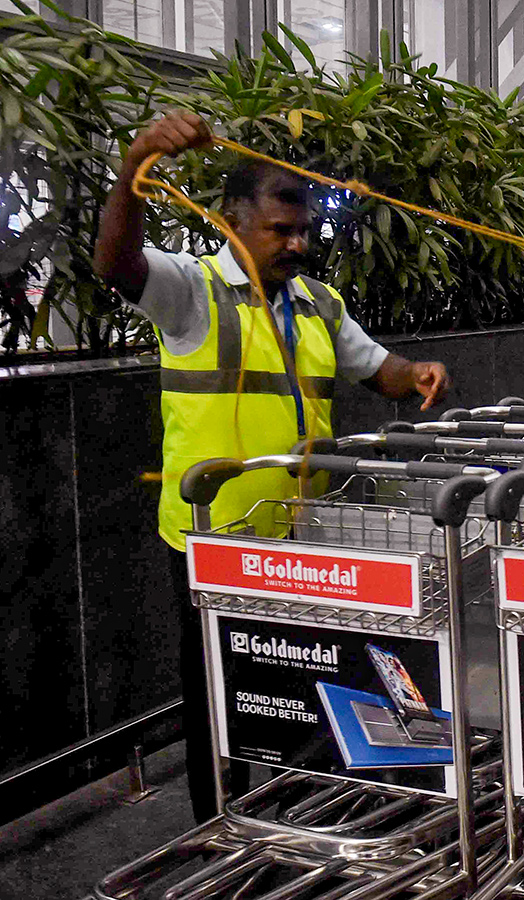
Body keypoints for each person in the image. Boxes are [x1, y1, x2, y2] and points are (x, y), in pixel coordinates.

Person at [93, 110, 452, 822]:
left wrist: (420, 375)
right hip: (215, 540)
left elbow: (380, 370)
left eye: (304, 232)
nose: (297, 244)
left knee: (304, 685)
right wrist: (135, 164)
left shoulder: (318, 303)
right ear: (231, 222)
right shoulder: (189, 290)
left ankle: (301, 812)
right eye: (280, 231)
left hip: (305, 539)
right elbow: (115, 263)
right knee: (220, 696)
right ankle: (220, 823)